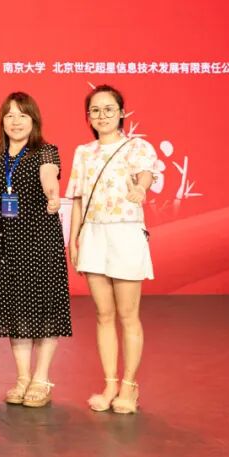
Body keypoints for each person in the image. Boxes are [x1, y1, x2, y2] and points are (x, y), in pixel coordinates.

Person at [68, 85, 158, 415]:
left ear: (121, 113)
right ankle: (110, 384)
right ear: (88, 116)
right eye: (95, 110)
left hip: (125, 232)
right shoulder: (83, 152)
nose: (102, 115)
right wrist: (73, 239)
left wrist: (141, 188)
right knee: (103, 315)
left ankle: (129, 386)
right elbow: (78, 198)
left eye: (109, 109)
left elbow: (145, 174)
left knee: (128, 315)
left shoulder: (137, 147)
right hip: (93, 234)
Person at [0, 92, 71, 408]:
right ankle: (22, 377)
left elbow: (49, 177)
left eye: (22, 115)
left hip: (39, 241)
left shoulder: (45, 151)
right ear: (1, 121)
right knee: (14, 309)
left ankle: (41, 378)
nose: (16, 121)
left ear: (34, 120)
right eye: (10, 115)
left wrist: (53, 195)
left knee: (44, 309)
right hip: (3, 242)